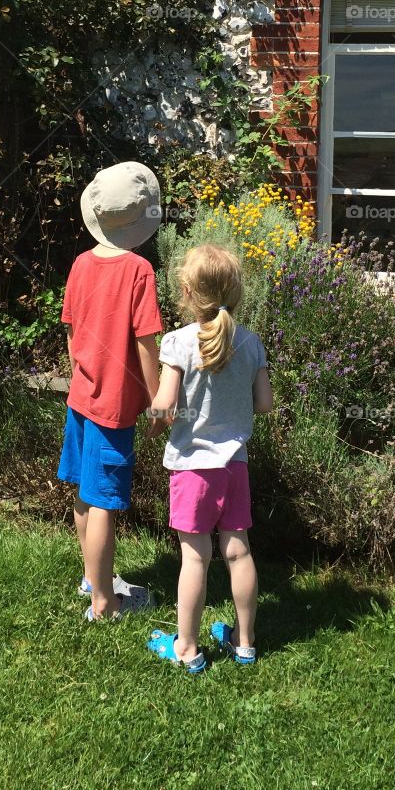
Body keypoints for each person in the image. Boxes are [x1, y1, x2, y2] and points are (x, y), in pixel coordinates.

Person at [147, 244, 273, 673]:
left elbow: (164, 406)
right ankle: (245, 642)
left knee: (196, 558)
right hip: (234, 465)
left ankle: (187, 647)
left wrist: (152, 423)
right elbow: (264, 404)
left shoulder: (178, 342)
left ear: (185, 290)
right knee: (239, 553)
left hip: (191, 469)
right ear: (236, 291)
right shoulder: (252, 343)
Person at [58, 161, 164, 620]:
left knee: (85, 491)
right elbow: (147, 343)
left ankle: (92, 577)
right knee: (104, 502)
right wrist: (159, 401)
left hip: (82, 395)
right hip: (114, 407)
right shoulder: (139, 271)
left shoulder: (81, 264)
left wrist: (81, 372)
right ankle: (105, 602)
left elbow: (69, 329)